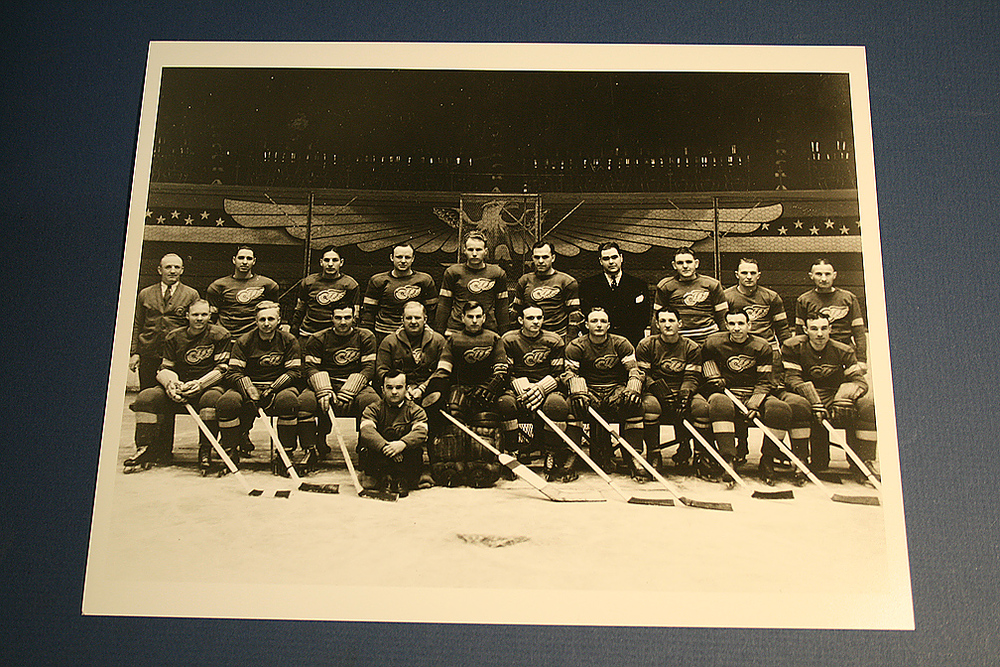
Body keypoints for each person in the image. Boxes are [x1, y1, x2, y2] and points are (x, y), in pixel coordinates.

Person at [701, 310, 810, 484]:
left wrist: (753, 404)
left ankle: (767, 460)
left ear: (749, 325)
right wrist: (713, 376)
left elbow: (764, 381)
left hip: (754, 391)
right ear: (726, 325)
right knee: (719, 404)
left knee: (780, 409)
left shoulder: (762, 346)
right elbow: (706, 362)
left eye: (741, 324)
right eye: (732, 324)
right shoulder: (713, 342)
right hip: (727, 392)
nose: (737, 328)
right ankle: (728, 460)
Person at [126, 299, 230, 471]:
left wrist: (200, 384)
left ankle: (205, 450)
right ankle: (144, 448)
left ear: (210, 316)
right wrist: (171, 384)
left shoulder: (221, 335)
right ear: (187, 316)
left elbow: (222, 369)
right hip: (180, 384)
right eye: (195, 314)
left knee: (211, 400)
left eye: (204, 315)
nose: (199, 318)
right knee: (146, 398)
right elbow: (165, 367)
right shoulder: (174, 336)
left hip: (207, 386)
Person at [215, 301, 312, 472]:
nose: (266, 324)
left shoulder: (289, 340)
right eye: (262, 320)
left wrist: (273, 388)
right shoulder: (244, 341)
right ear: (256, 320)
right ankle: (230, 452)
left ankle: (285, 453)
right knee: (227, 402)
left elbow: (295, 372)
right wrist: (249, 388)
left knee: (289, 402)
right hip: (250, 384)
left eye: (271, 319)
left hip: (280, 385)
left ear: (278, 320)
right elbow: (233, 372)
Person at [781, 313, 876, 481]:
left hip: (834, 394)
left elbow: (859, 381)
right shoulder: (793, 346)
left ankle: (864, 462)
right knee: (798, 406)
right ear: (805, 330)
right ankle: (801, 459)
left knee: (867, 406)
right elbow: (792, 378)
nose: (819, 333)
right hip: (805, 394)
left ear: (830, 329)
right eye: (814, 329)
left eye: (824, 328)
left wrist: (844, 396)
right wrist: (813, 399)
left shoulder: (843, 350)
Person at [425, 301, 509, 488]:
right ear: (462, 318)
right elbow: (444, 370)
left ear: (484, 318)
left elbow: (501, 370)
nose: (474, 320)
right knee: (452, 415)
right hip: (460, 387)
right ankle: (453, 466)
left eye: (478, 316)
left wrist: (491, 387)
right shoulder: (454, 339)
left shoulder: (494, 338)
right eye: (470, 317)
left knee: (485, 424)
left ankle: (482, 466)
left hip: (486, 389)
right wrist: (436, 391)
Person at [128, 253, 200, 461]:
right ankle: (144, 448)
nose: (172, 271)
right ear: (159, 270)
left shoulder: (191, 294)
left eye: (177, 267)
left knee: (169, 399)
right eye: (168, 267)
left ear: (182, 270)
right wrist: (135, 352)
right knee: (146, 401)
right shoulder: (145, 294)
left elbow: (194, 326)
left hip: (174, 358)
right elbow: (137, 324)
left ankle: (164, 450)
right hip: (149, 353)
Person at [723, 257, 793, 463]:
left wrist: (787, 358)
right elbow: (724, 329)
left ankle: (773, 449)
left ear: (759, 275)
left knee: (769, 399)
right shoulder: (727, 296)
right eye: (744, 273)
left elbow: (782, 330)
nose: (749, 277)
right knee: (740, 396)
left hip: (768, 353)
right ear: (737, 275)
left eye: (753, 273)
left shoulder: (771, 297)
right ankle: (741, 445)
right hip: (739, 352)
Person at [563, 307, 646, 479]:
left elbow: (633, 369)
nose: (598, 325)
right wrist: (578, 388)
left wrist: (633, 385)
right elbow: (569, 373)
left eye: (602, 321)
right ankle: (572, 455)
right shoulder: (577, 345)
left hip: (614, 388)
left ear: (608, 325)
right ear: (586, 325)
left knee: (633, 404)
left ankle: (634, 456)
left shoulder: (621, 343)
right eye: (594, 321)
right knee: (574, 405)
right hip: (589, 390)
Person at [497, 304, 575, 481]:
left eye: (539, 318)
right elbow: (504, 372)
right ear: (520, 320)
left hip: (545, 386)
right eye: (531, 318)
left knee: (556, 405)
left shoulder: (554, 340)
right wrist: (516, 383)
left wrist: (541, 387)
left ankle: (551, 454)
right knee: (506, 404)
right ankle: (512, 454)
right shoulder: (509, 339)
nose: (536, 321)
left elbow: (558, 375)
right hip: (517, 387)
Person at [634, 306, 712, 470]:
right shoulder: (647, 344)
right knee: (651, 408)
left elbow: (692, 376)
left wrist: (684, 396)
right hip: (656, 391)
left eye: (671, 321)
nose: (667, 325)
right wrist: (658, 390)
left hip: (683, 389)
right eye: (663, 321)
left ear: (680, 323)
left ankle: (700, 456)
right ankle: (654, 454)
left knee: (702, 408)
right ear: (657, 324)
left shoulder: (691, 347)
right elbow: (643, 374)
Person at [301, 305, 380, 467]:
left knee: (372, 402)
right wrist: (323, 388)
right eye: (338, 318)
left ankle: (365, 445)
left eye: (347, 317)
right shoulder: (318, 338)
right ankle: (311, 448)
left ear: (354, 318)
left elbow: (369, 367)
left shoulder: (365, 336)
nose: (343, 322)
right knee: (304, 401)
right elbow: (310, 368)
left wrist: (352, 387)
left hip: (355, 384)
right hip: (326, 383)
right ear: (331, 319)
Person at [358, 371, 429, 497]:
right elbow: (366, 431)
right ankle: (386, 480)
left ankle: (403, 480)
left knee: (414, 453)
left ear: (407, 389)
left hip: (405, 455)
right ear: (383, 389)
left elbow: (421, 432)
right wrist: (386, 447)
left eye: (399, 387)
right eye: (389, 387)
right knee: (372, 451)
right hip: (382, 455)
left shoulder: (416, 410)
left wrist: (402, 444)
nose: (394, 392)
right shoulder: (373, 409)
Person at [794, 258, 868, 372]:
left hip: (845, 350)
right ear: (811, 276)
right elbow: (800, 333)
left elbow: (859, 332)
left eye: (827, 274)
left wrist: (861, 360)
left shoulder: (848, 298)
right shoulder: (804, 300)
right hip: (818, 351)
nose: (823, 278)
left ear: (834, 275)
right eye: (819, 274)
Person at [361, 242, 437, 347]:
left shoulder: (424, 280)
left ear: (413, 258)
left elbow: (431, 310)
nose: (403, 261)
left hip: (414, 332)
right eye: (399, 257)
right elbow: (368, 312)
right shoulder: (378, 280)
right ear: (392, 257)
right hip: (385, 331)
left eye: (407, 257)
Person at [435, 230, 509, 335]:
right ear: (464, 251)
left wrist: (504, 333)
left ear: (486, 251)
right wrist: (439, 332)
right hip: (456, 329)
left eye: (478, 250)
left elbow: (502, 307)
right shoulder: (453, 272)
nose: (474, 254)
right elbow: (444, 304)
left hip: (488, 329)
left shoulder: (497, 273)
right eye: (470, 250)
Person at [578, 241, 649, 347]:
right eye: (606, 259)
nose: (611, 262)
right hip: (600, 343)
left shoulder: (638, 285)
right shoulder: (588, 285)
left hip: (631, 341)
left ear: (621, 258)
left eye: (614, 257)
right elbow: (586, 315)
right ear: (600, 261)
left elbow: (644, 317)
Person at [653, 246, 728, 344]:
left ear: (696, 263)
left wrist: (725, 342)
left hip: (707, 339)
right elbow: (657, 317)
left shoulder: (712, 284)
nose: (685, 266)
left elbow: (722, 316)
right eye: (680, 263)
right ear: (674, 265)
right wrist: (654, 343)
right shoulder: (665, 286)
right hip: (679, 341)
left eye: (689, 262)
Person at [511, 240, 583, 342]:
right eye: (537, 257)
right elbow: (516, 310)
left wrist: (569, 340)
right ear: (532, 258)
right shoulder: (524, 280)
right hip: (530, 336)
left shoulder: (567, 281)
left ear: (553, 258)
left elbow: (574, 314)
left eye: (545, 257)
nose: (540, 261)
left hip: (558, 335)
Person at [206, 245, 280, 338]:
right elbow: (212, 315)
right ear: (234, 260)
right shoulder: (217, 286)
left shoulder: (268, 285)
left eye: (249, 259)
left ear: (254, 261)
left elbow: (274, 311)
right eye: (241, 258)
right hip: (227, 336)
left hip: (254, 337)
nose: (245, 262)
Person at [290, 245, 361, 339]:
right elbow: (300, 308)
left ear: (341, 262)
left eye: (335, 260)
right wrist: (294, 330)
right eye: (326, 260)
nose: (330, 264)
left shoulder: (350, 284)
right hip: (309, 333)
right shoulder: (308, 282)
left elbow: (355, 315)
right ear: (321, 262)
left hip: (335, 336)